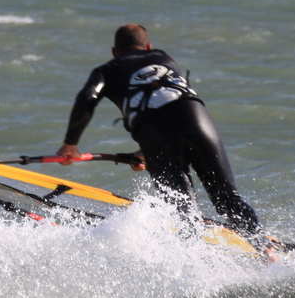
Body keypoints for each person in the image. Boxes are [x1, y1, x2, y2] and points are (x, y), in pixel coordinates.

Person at [57, 24, 262, 236]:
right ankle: (265, 247)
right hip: (197, 120)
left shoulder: (106, 71)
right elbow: (165, 100)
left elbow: (88, 96)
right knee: (228, 199)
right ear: (148, 46)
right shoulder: (164, 57)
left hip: (156, 134)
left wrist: (70, 144)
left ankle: (194, 251)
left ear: (115, 52)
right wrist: (145, 151)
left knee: (184, 211)